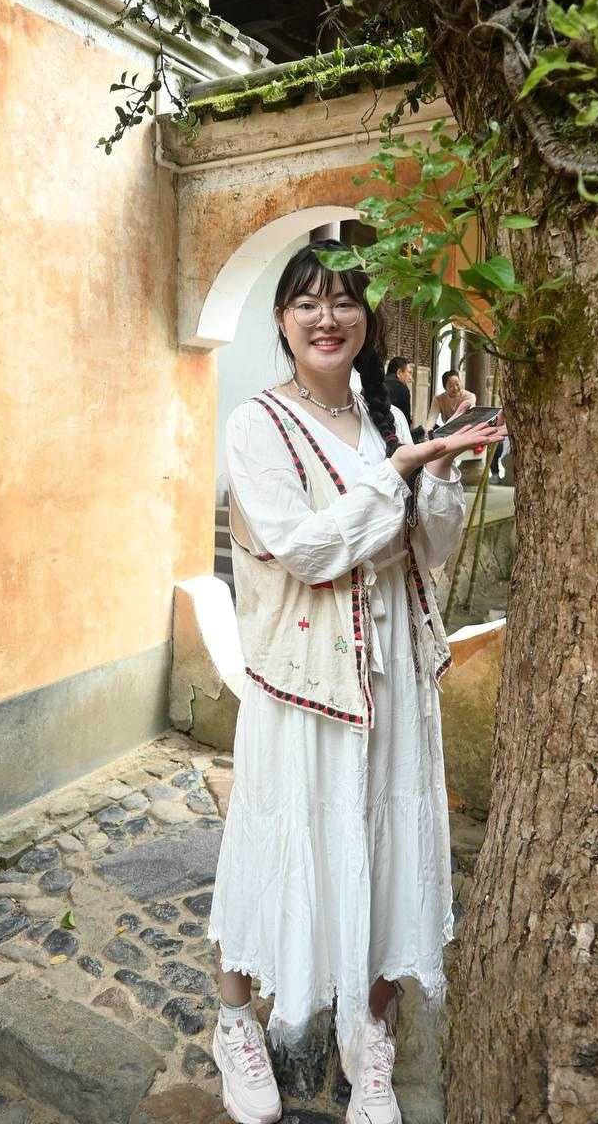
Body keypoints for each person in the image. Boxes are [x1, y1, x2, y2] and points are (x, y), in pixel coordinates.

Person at [208, 240, 506, 1124]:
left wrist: (435, 469)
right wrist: (397, 474)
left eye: (344, 302)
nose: (326, 318)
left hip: (392, 675)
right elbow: (305, 550)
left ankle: (369, 1034)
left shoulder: (391, 421)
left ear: (367, 320)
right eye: (307, 303)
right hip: (304, 678)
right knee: (278, 833)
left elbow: (429, 551)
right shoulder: (258, 423)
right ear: (282, 320)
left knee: (384, 847)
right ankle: (236, 1019)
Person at [424, 369, 476, 433]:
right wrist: (428, 430)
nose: (455, 388)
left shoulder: (469, 396)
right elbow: (432, 418)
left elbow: (468, 417)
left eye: (457, 384)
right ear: (444, 387)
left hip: (466, 430)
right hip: (448, 430)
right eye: (451, 386)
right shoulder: (439, 399)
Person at [384, 356, 413, 424]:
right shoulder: (402, 390)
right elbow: (405, 422)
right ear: (399, 372)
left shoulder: (373, 383)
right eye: (409, 372)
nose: (411, 378)